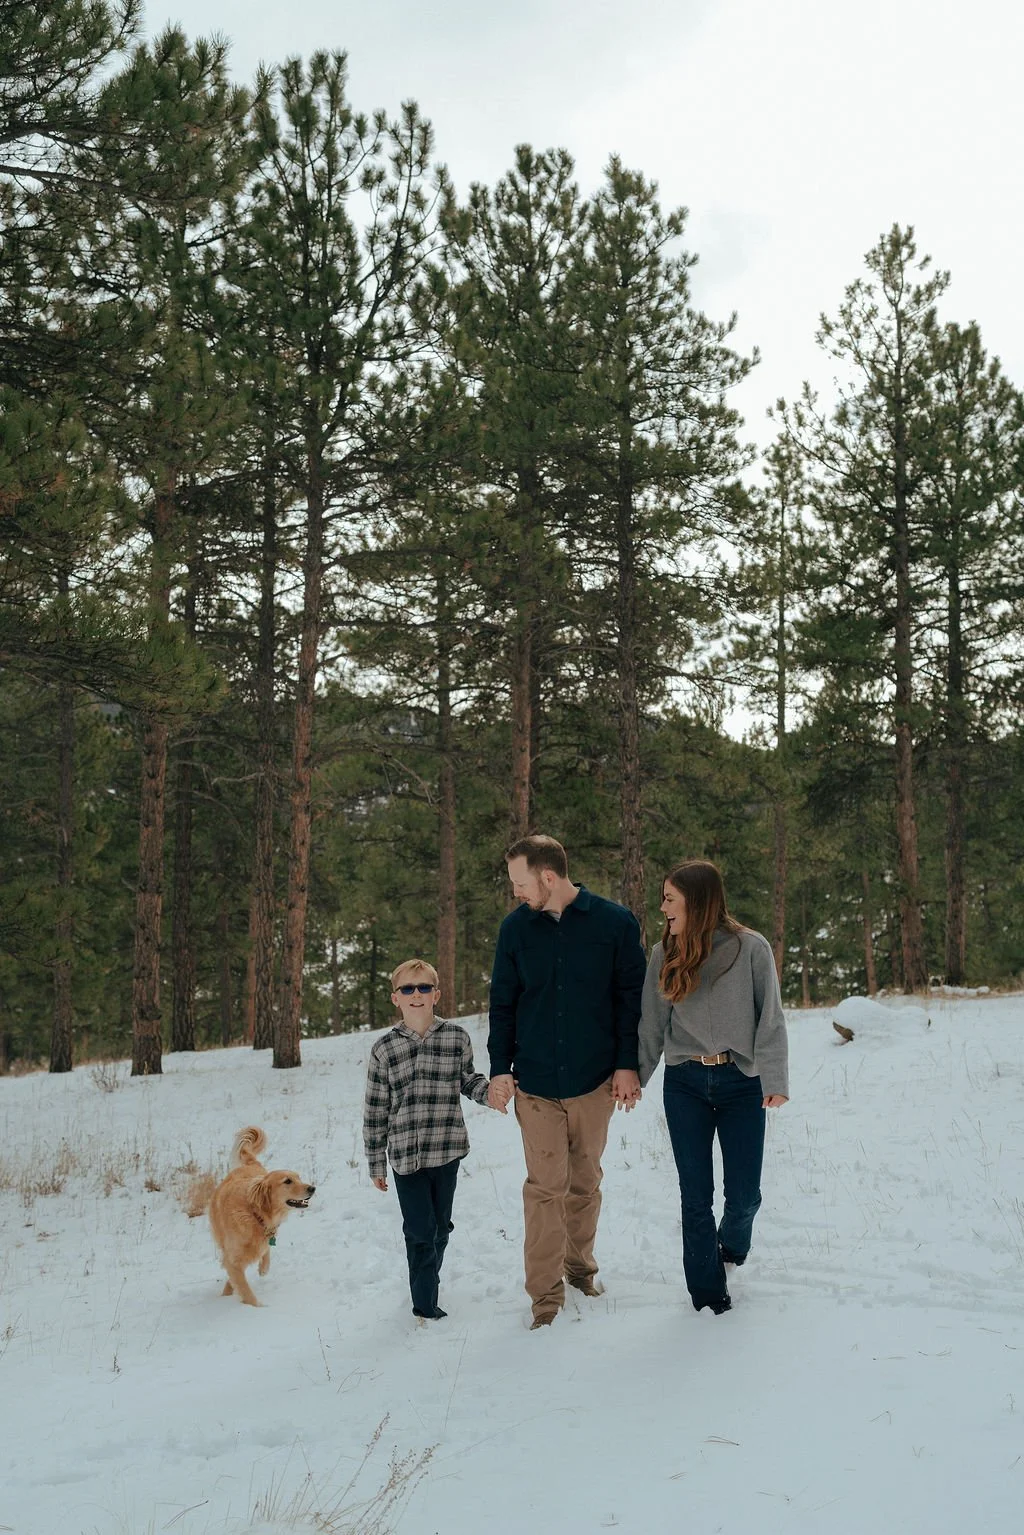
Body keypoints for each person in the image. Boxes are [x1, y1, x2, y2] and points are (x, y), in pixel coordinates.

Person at [488, 834, 647, 1329]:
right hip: (535, 1084)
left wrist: (628, 1065)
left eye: (520, 882)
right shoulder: (515, 931)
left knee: (584, 1183)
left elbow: (631, 1001)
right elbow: (503, 1004)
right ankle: (545, 1298)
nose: (515, 892)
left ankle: (579, 1270)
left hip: (594, 1081)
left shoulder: (615, 924)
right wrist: (499, 1068)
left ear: (548, 877)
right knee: (544, 1188)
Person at [638, 859, 789, 1315]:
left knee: (744, 1196)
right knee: (695, 1195)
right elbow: (651, 1022)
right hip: (684, 1083)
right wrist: (635, 1078)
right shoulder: (666, 953)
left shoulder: (751, 948)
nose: (662, 906)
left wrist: (775, 1079)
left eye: (670, 898)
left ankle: (733, 1246)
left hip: (741, 1081)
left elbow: (771, 1017)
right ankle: (707, 1296)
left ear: (697, 901)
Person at [363, 958, 496, 1321]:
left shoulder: (456, 1038)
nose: (416, 995)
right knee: (420, 1230)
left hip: (447, 1147)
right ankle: (424, 1304)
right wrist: (376, 1163)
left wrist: (491, 1094)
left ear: (436, 994)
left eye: (423, 988)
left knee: (440, 1227)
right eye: (408, 989)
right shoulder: (384, 1049)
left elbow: (467, 1080)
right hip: (405, 1157)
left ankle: (429, 1275)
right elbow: (375, 1110)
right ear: (396, 998)